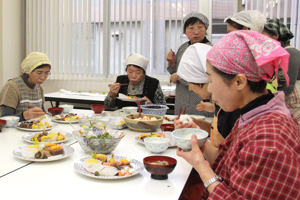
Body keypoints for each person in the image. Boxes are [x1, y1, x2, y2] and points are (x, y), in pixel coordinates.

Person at [178, 30, 300, 199]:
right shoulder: (253, 116)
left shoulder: (269, 137)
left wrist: (203, 169)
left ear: (239, 82)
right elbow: (227, 165)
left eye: (211, 80)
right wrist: (199, 140)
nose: (210, 89)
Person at [166, 11, 213, 117]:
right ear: (185, 31)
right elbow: (176, 73)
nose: (196, 32)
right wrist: (172, 64)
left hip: (200, 98)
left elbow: (208, 78)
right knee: (181, 125)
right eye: (191, 28)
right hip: (182, 98)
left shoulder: (210, 50)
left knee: (200, 126)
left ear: (205, 29)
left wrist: (179, 77)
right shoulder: (183, 48)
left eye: (200, 27)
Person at [262, 18, 300, 127]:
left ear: (275, 36)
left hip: (294, 104)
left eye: (264, 35)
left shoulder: (291, 53)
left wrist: (268, 98)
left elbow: (289, 86)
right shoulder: (276, 55)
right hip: (285, 102)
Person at [0, 52, 51, 121]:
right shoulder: (13, 86)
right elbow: (4, 119)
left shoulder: (39, 87)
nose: (43, 77)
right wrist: (24, 115)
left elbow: (42, 113)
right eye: (39, 73)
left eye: (46, 73)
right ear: (28, 70)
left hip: (33, 129)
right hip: (13, 130)